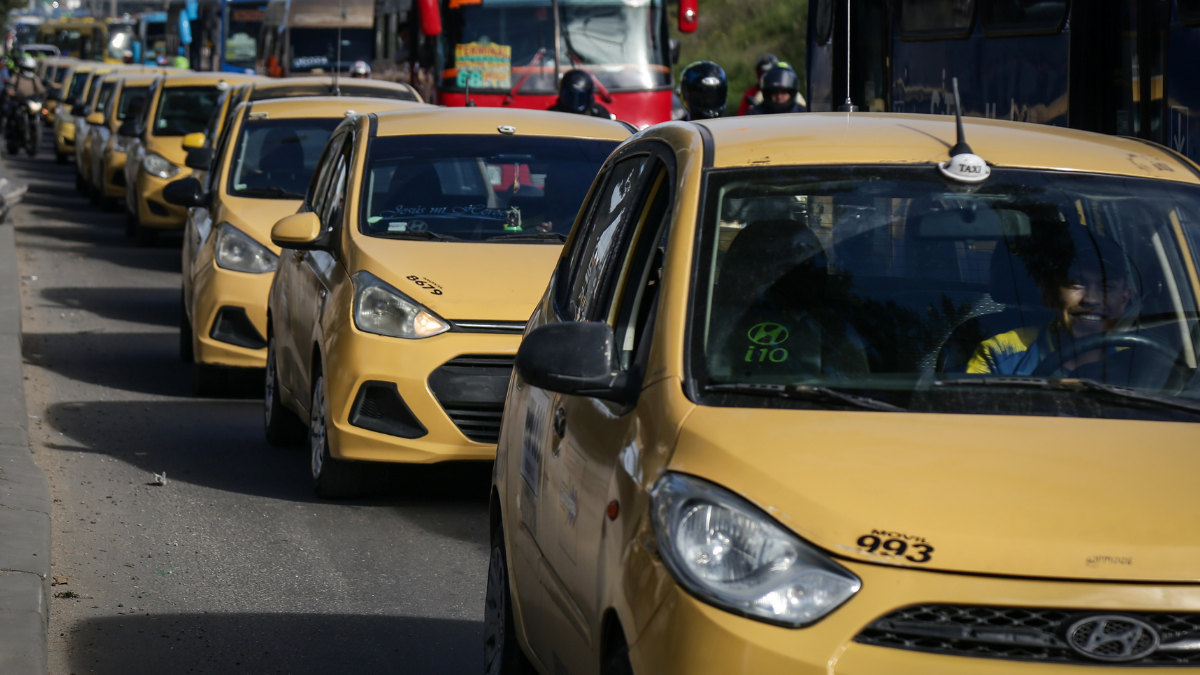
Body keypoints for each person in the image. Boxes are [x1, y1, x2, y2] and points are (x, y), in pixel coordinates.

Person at [968, 230, 1134, 376]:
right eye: (1076, 283)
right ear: (1047, 293)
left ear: (1124, 300)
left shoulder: (1138, 361)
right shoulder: (999, 355)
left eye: (1107, 287)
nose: (1092, 299)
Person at [548, 69, 612, 119]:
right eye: (571, 96)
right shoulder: (552, 115)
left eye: (581, 96)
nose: (575, 101)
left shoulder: (599, 114)